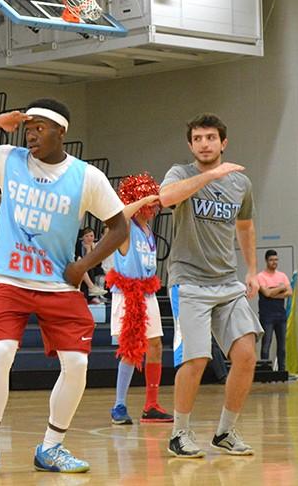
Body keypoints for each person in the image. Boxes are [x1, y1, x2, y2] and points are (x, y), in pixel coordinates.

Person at [0, 99, 127, 477]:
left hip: (58, 285)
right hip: (10, 278)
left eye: (40, 127)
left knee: (77, 364)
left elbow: (119, 227)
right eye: (28, 127)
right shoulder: (10, 159)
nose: (31, 133)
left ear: (62, 132)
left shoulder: (86, 176)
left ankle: (51, 448)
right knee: (1, 354)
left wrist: (82, 265)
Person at [157, 113, 261, 458]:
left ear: (223, 143)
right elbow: (167, 199)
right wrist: (210, 176)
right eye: (198, 138)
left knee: (246, 355)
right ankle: (179, 433)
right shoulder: (181, 173)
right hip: (188, 281)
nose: (205, 143)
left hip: (227, 281)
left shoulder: (240, 184)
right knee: (196, 359)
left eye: (211, 138)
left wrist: (252, 270)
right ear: (191, 145)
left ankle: (225, 431)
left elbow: (245, 226)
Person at [106, 173, 172, 426]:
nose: (154, 207)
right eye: (149, 203)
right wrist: (143, 196)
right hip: (127, 294)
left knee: (155, 346)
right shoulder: (125, 227)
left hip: (147, 293)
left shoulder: (148, 230)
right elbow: (118, 214)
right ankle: (119, 405)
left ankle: (151, 405)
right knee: (131, 351)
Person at [256, 249, 292, 373]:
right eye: (271, 260)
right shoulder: (260, 276)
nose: (274, 262)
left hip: (281, 315)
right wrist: (281, 288)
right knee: (266, 344)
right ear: (266, 261)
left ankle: (282, 372)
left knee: (282, 347)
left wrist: (273, 292)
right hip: (267, 316)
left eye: (276, 259)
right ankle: (265, 372)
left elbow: (289, 292)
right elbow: (265, 292)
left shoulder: (282, 275)